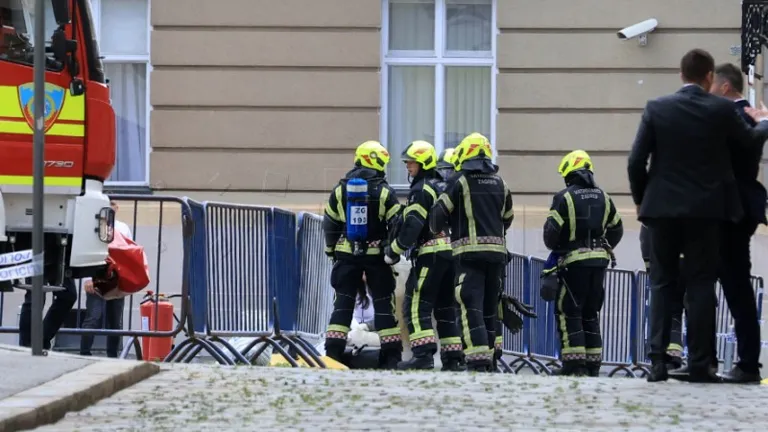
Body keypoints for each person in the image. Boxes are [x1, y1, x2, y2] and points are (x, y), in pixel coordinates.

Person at [627, 48, 768, 383]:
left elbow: (635, 161)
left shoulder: (657, 108)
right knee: (701, 283)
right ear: (708, 78)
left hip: (661, 210)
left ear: (681, 75)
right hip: (706, 212)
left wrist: (642, 201)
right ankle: (702, 363)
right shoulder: (720, 109)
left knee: (661, 282)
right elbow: (749, 142)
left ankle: (658, 361)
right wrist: (764, 123)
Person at [429, 132, 514, 372]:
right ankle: (491, 358)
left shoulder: (460, 182)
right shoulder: (501, 183)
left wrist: (445, 227)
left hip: (469, 255)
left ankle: (477, 360)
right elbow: (507, 218)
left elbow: (438, 215)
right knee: (489, 307)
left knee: (469, 304)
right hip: (497, 256)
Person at [322, 140, 404, 369]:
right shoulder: (385, 191)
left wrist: (332, 251)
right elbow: (397, 222)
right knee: (384, 307)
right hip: (377, 259)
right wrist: (391, 249)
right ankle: (391, 358)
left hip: (346, 256)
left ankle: (333, 356)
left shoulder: (340, 190)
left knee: (342, 307)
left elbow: (330, 223)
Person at [384, 140, 464, 372]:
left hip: (431, 255)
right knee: (446, 307)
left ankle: (423, 355)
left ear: (424, 163)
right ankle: (453, 358)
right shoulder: (444, 186)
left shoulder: (421, 189)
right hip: (452, 254)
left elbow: (413, 224)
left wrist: (394, 250)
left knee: (416, 304)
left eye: (412, 162)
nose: (408, 166)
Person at [542, 150, 623, 377]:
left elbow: (551, 236)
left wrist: (562, 247)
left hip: (574, 263)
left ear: (568, 174)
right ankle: (593, 364)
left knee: (570, 310)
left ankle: (574, 365)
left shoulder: (564, 198)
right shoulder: (605, 197)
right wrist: (602, 246)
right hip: (599, 262)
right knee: (590, 312)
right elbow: (617, 228)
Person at [709, 62, 765, 383]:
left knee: (726, 287)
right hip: (742, 209)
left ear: (725, 87)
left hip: (727, 211)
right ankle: (745, 363)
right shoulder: (749, 115)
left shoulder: (734, 115)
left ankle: (738, 363)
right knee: (737, 287)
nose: (710, 92)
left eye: (713, 86)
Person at [79, 199, 131, 358]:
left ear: (117, 207)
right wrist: (87, 278)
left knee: (115, 321)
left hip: (116, 278)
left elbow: (128, 254)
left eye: (113, 203)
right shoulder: (93, 226)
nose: (110, 206)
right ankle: (84, 355)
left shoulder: (123, 227)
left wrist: (126, 280)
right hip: (97, 277)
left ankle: (113, 356)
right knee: (93, 318)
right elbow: (86, 253)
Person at [639, 225, 685, 371]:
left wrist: (650, 268)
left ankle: (662, 358)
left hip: (664, 269)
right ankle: (679, 356)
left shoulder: (656, 206)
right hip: (690, 268)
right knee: (677, 314)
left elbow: (645, 239)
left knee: (664, 313)